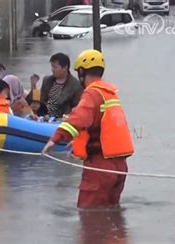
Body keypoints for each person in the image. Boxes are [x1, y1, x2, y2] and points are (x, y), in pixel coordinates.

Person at [42, 49, 134, 209]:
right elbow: (100, 126)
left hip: (99, 167)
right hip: (119, 167)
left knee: (88, 216)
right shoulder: (110, 94)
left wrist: (55, 138)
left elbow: (79, 118)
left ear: (82, 72)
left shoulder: (91, 94)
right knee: (111, 214)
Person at [28, 53, 83, 119]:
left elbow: (77, 109)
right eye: (52, 66)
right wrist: (33, 85)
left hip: (62, 120)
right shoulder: (47, 80)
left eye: (55, 67)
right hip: (44, 117)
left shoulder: (75, 86)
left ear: (65, 67)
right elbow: (40, 101)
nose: (52, 69)